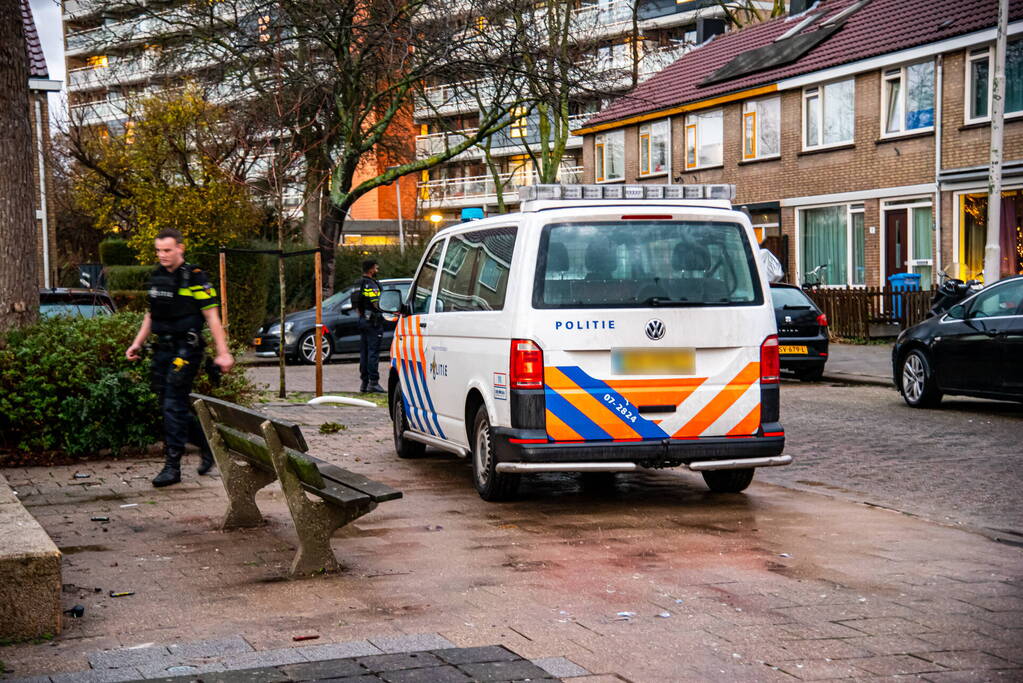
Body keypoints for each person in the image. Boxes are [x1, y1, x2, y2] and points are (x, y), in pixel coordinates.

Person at [126, 228, 234, 487]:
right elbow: (151, 315)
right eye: (158, 250)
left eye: (167, 250)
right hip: (162, 349)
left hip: (187, 350)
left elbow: (212, 317)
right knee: (169, 404)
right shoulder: (157, 277)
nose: (162, 255)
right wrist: (137, 343)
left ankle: (172, 467)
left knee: (173, 404)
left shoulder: (195, 277)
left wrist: (223, 353)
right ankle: (207, 442)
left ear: (180, 248)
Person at [352, 259, 385, 393]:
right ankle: (373, 382)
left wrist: (362, 315)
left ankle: (364, 383)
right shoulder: (371, 285)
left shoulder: (357, 283)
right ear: (370, 269)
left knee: (364, 352)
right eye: (376, 268)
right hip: (373, 322)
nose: (377, 270)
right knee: (373, 352)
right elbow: (377, 303)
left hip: (362, 320)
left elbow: (355, 303)